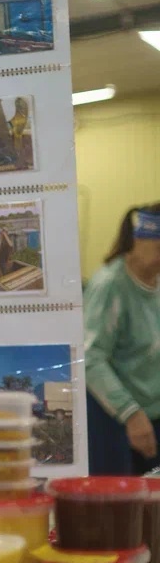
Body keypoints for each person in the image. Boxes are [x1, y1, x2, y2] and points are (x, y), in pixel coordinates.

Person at [84, 203, 160, 475]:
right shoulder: (110, 286)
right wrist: (131, 415)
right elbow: (90, 358)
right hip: (119, 418)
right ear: (141, 239)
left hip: (152, 412)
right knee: (125, 508)